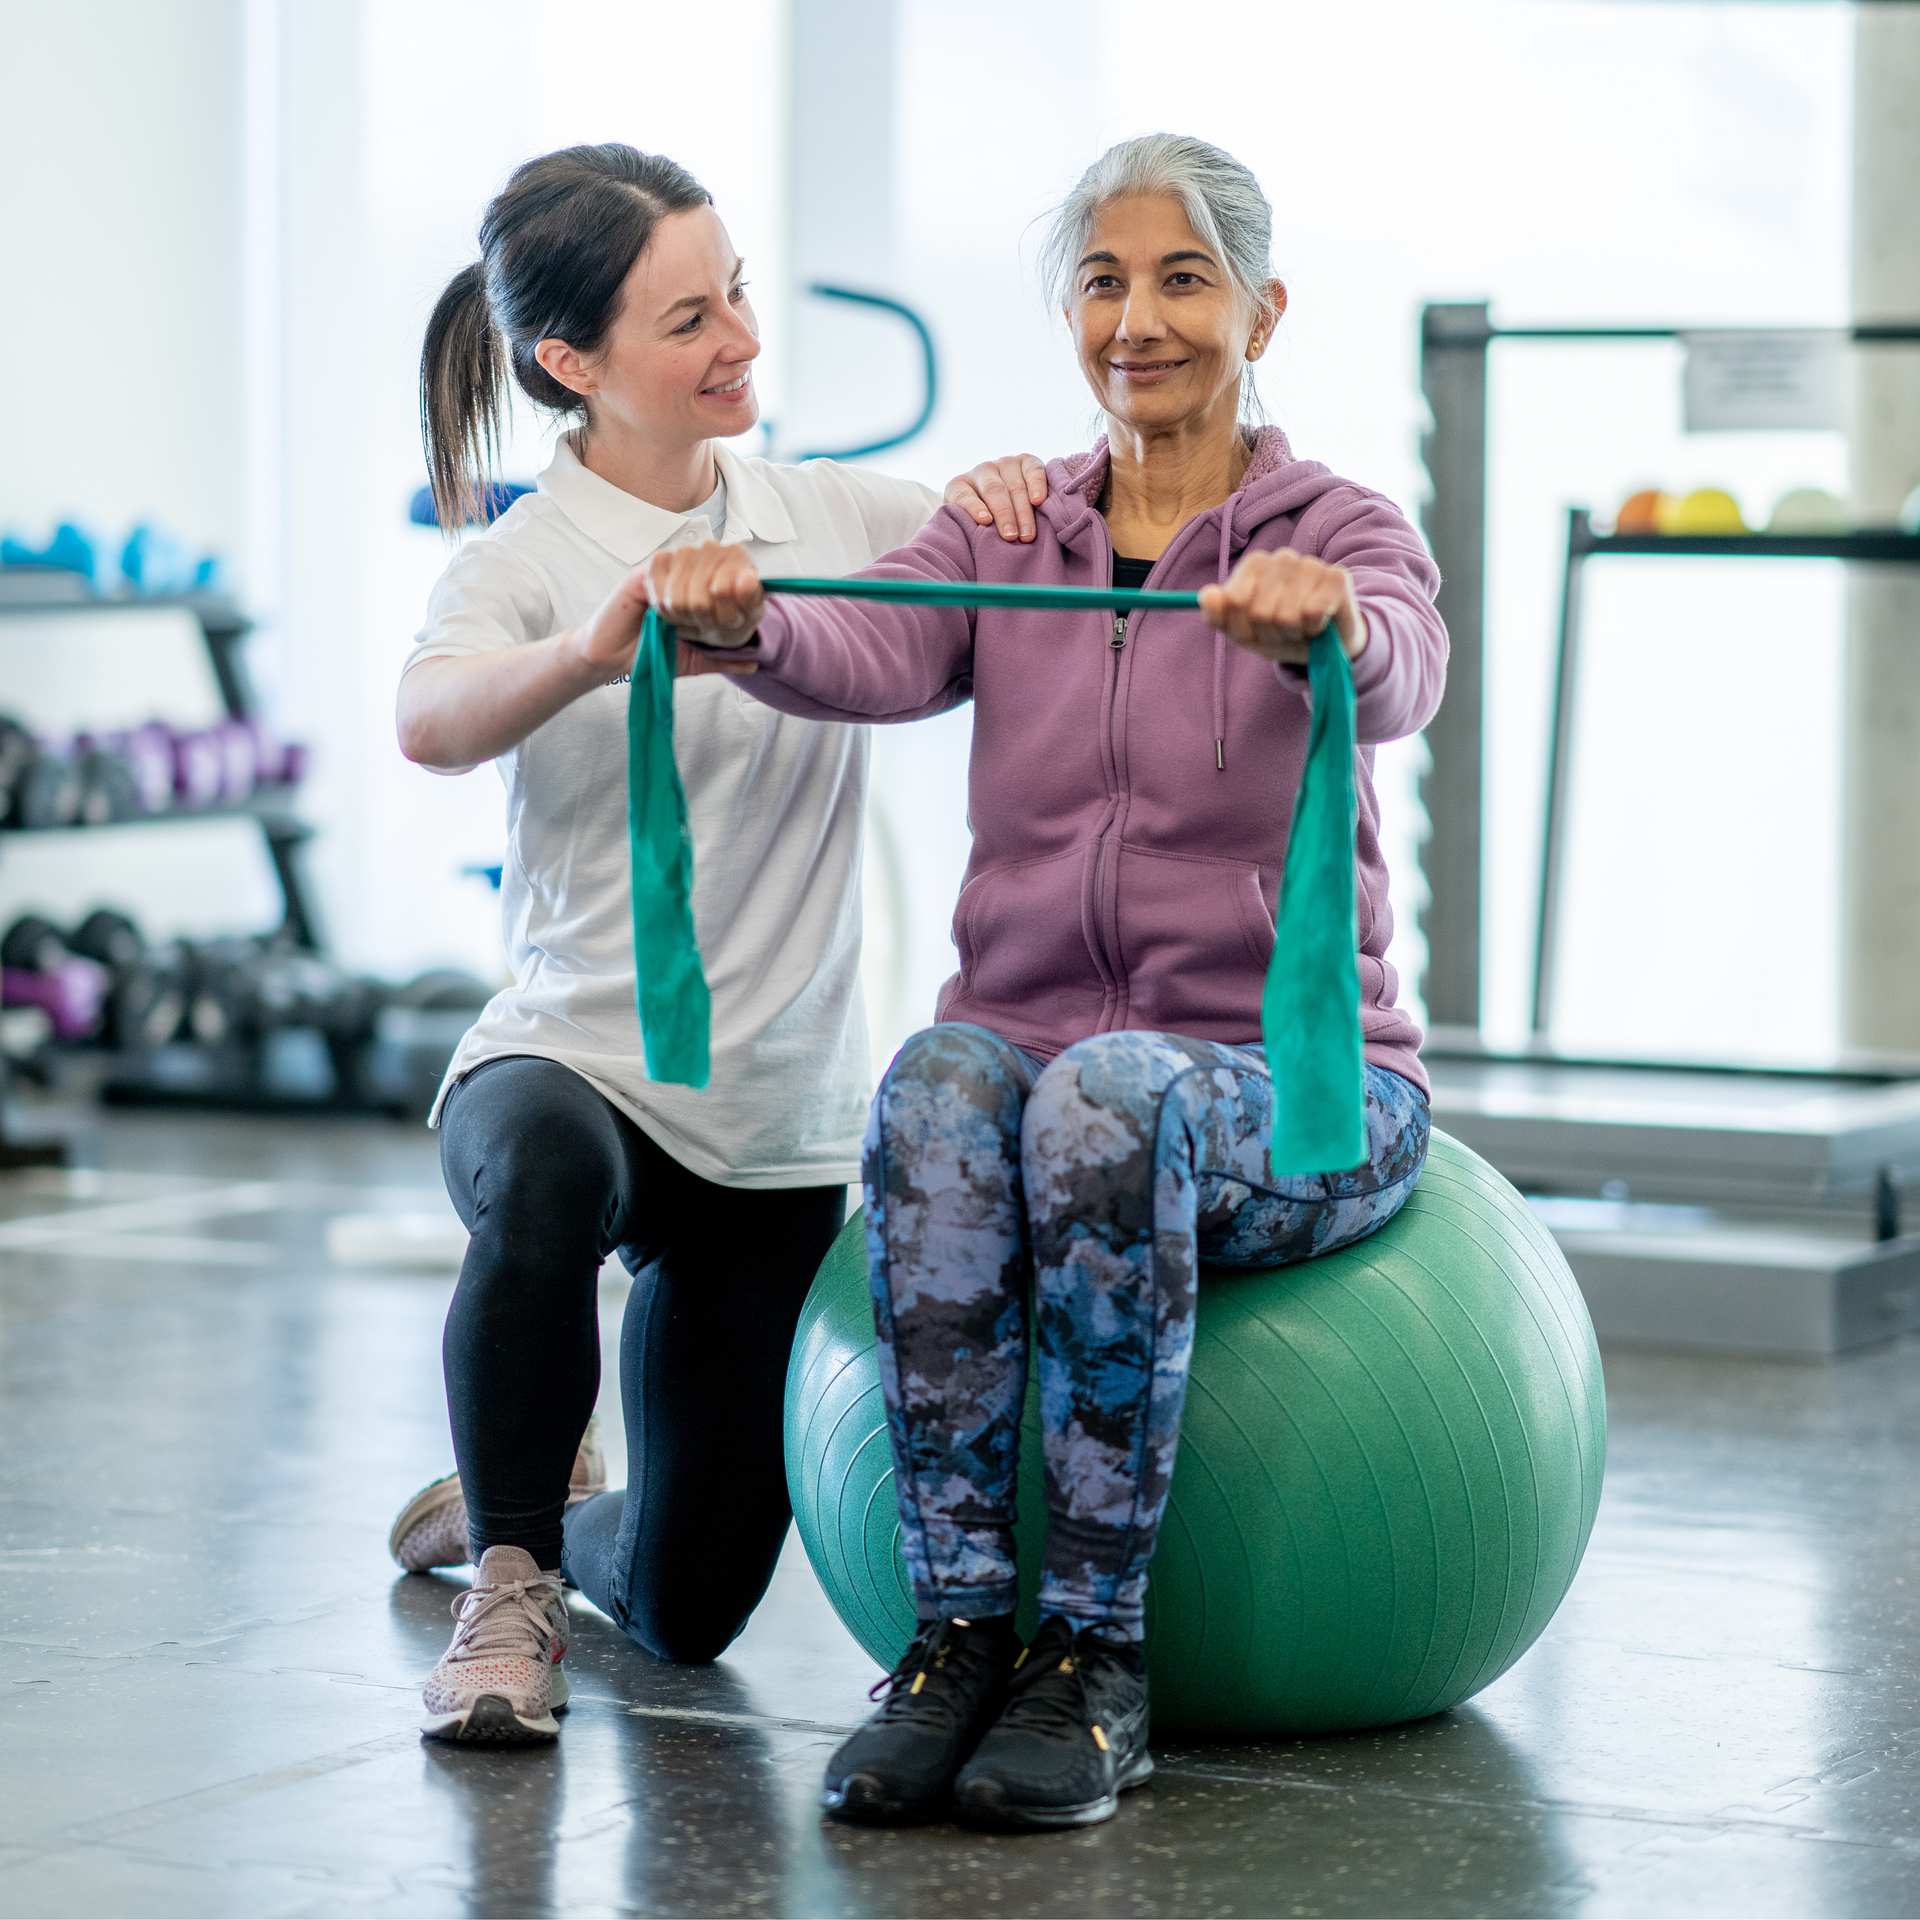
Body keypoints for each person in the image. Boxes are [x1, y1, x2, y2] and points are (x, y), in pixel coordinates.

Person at [643, 132, 1448, 1830]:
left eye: (1181, 278)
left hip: (1300, 1095)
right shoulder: (1012, 526)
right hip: (1040, 1064)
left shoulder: (1335, 528)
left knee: (1101, 1099)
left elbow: (1403, 664)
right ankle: (954, 1641)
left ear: (1263, 308)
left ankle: (1093, 1658)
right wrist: (739, 620)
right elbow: (869, 640)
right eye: (1102, 279)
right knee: (942, 1080)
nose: (1138, 318)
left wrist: (1332, 625)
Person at [390, 142, 1051, 1747]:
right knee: (541, 1182)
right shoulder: (521, 560)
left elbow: (1015, 558)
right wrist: (585, 650)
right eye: (690, 317)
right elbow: (427, 720)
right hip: (575, 1060)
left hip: (764, 1127)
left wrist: (1021, 493)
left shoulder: (833, 514)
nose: (742, 336)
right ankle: (506, 1573)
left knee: (690, 1613)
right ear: (574, 362)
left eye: (737, 288)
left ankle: (524, 1505)